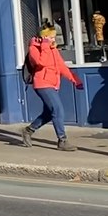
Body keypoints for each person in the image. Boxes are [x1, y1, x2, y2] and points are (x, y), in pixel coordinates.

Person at [21, 21, 82, 151]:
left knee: (49, 113)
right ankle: (62, 140)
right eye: (51, 37)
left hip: (54, 83)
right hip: (42, 83)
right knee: (58, 109)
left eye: (54, 37)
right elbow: (40, 63)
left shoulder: (53, 49)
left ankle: (28, 130)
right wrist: (44, 46)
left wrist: (75, 80)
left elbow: (61, 66)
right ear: (44, 36)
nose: (54, 39)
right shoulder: (34, 48)